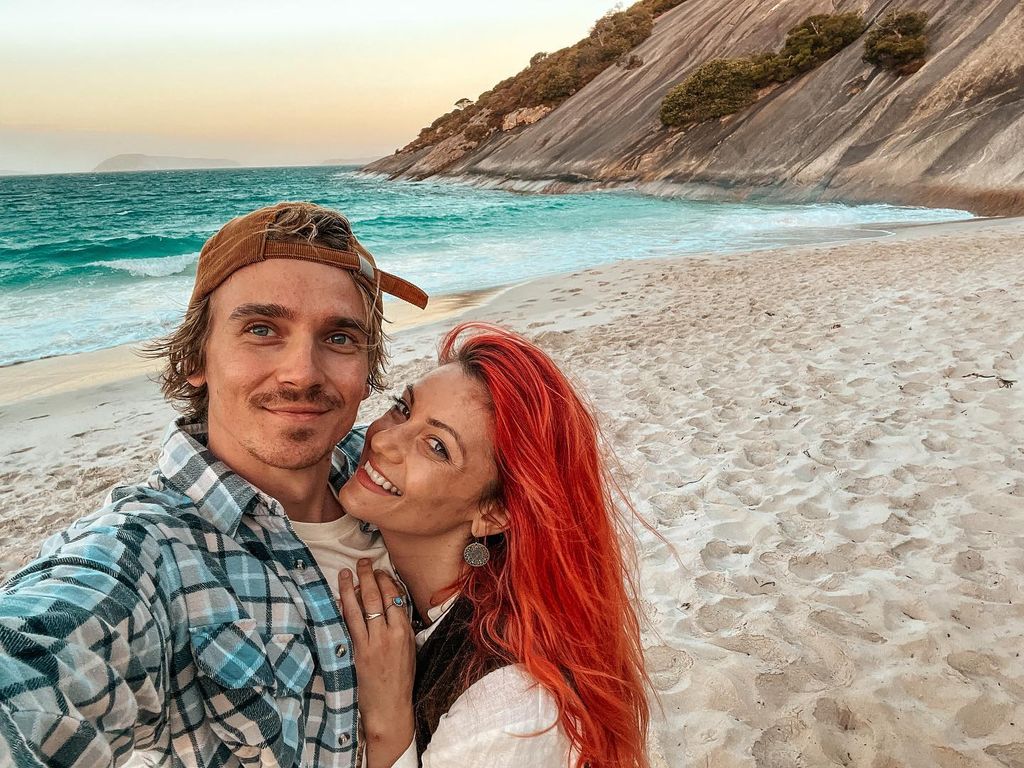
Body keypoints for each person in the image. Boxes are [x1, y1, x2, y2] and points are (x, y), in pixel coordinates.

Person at [0, 202, 427, 767]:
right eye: (261, 329)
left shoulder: (394, 477)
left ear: (367, 365)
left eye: (340, 337)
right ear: (197, 357)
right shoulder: (151, 552)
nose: (302, 372)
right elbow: (42, 658)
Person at [335, 322, 651, 768]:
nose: (383, 439)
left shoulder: (512, 705)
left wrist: (387, 719)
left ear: (493, 513)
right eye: (402, 410)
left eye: (437, 447)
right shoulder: (411, 590)